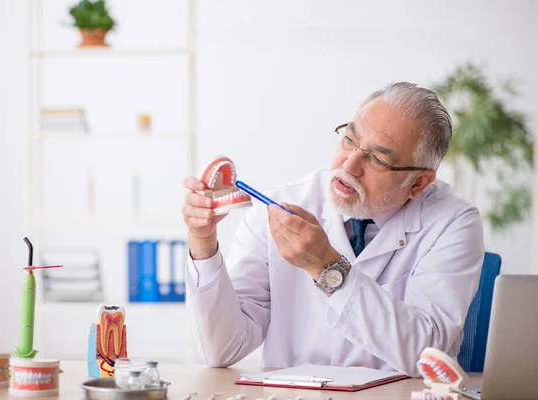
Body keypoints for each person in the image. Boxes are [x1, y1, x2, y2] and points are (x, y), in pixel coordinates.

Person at [181, 82, 484, 376]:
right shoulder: (281, 204)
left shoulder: (453, 222)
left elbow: (425, 356)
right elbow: (221, 349)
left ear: (418, 183)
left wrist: (326, 266)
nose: (349, 165)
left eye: (377, 159)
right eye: (350, 140)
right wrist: (203, 244)